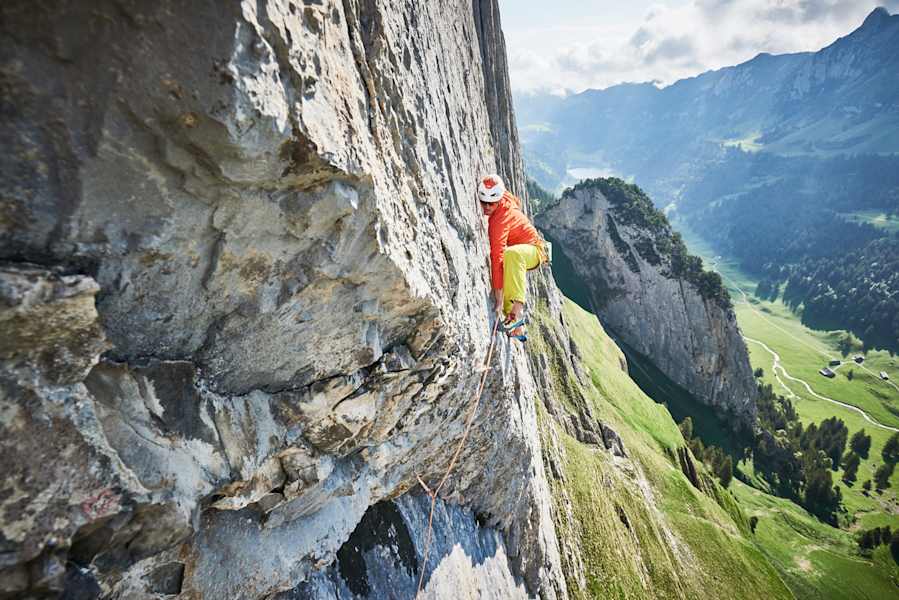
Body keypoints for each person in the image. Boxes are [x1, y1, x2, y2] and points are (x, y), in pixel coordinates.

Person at [477, 173, 545, 341]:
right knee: (511, 259)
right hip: (523, 251)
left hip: (534, 250)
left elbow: (497, 256)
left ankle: (516, 312)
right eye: (482, 202)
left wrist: (498, 297)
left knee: (511, 255)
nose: (486, 207)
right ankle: (516, 326)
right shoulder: (504, 198)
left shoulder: (498, 222)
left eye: (490, 204)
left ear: (498, 200)